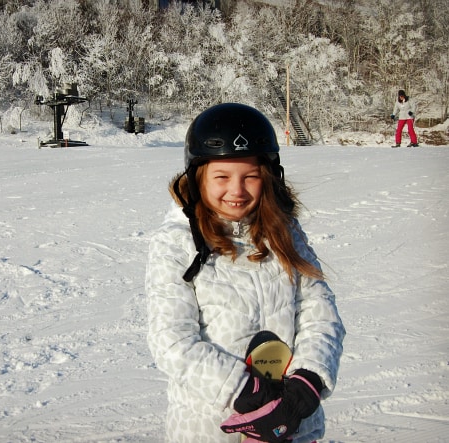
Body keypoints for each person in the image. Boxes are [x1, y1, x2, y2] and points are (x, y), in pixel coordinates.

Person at [145, 103, 345, 443]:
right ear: (198, 179)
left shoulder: (285, 231)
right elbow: (172, 340)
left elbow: (320, 313)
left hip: (292, 425)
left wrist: (307, 379)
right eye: (221, 177)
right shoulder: (176, 244)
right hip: (212, 427)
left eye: (250, 176)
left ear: (268, 176)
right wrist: (245, 390)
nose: (236, 190)